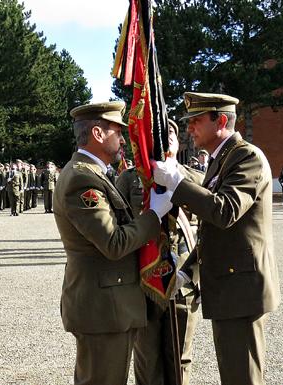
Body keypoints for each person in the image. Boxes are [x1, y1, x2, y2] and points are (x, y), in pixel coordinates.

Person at [152, 92, 280, 385]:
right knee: (233, 372)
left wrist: (177, 182)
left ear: (221, 120)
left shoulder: (247, 156)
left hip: (241, 288)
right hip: (229, 285)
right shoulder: (221, 158)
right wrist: (188, 271)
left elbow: (224, 212)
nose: (190, 128)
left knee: (242, 376)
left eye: (196, 121)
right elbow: (213, 231)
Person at [53, 101, 173, 385]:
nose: (122, 139)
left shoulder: (91, 173)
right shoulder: (82, 179)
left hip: (109, 305)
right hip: (102, 308)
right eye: (117, 132)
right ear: (97, 133)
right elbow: (114, 242)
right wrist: (155, 214)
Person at [118, 119, 203, 385]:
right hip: (143, 282)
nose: (165, 138)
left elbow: (210, 236)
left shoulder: (195, 179)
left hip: (183, 282)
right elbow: (119, 229)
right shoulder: (130, 178)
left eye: (171, 133)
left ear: (179, 141)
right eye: (157, 133)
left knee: (180, 359)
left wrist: (191, 275)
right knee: (147, 359)